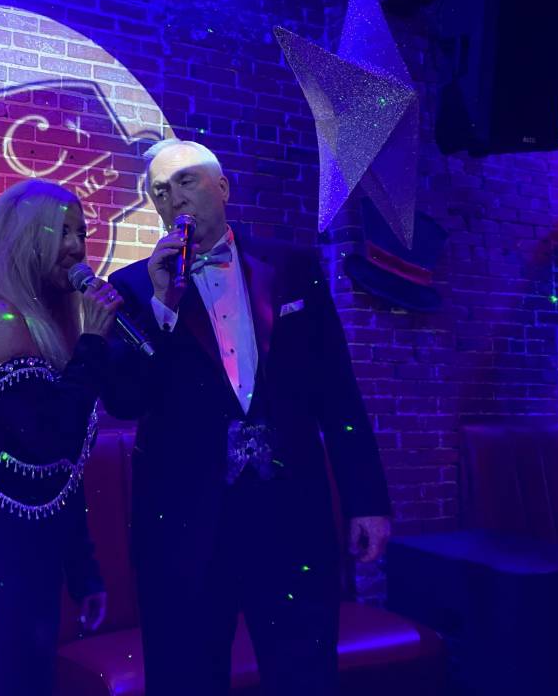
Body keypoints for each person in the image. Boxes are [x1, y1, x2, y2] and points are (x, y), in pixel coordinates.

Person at [102, 139, 392, 696]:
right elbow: (125, 401)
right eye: (160, 191)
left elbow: (337, 390)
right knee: (186, 678)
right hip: (185, 524)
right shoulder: (134, 287)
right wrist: (163, 305)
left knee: (304, 673)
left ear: (223, 187)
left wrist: (367, 500)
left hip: (290, 513)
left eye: (186, 180)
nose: (174, 197)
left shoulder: (293, 268)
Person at [0, 179, 122, 696]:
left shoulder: (53, 329)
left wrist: (84, 573)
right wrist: (92, 344)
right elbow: (49, 438)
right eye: (61, 232)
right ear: (23, 238)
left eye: (82, 233)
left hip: (39, 553)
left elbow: (64, 472)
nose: (77, 247)